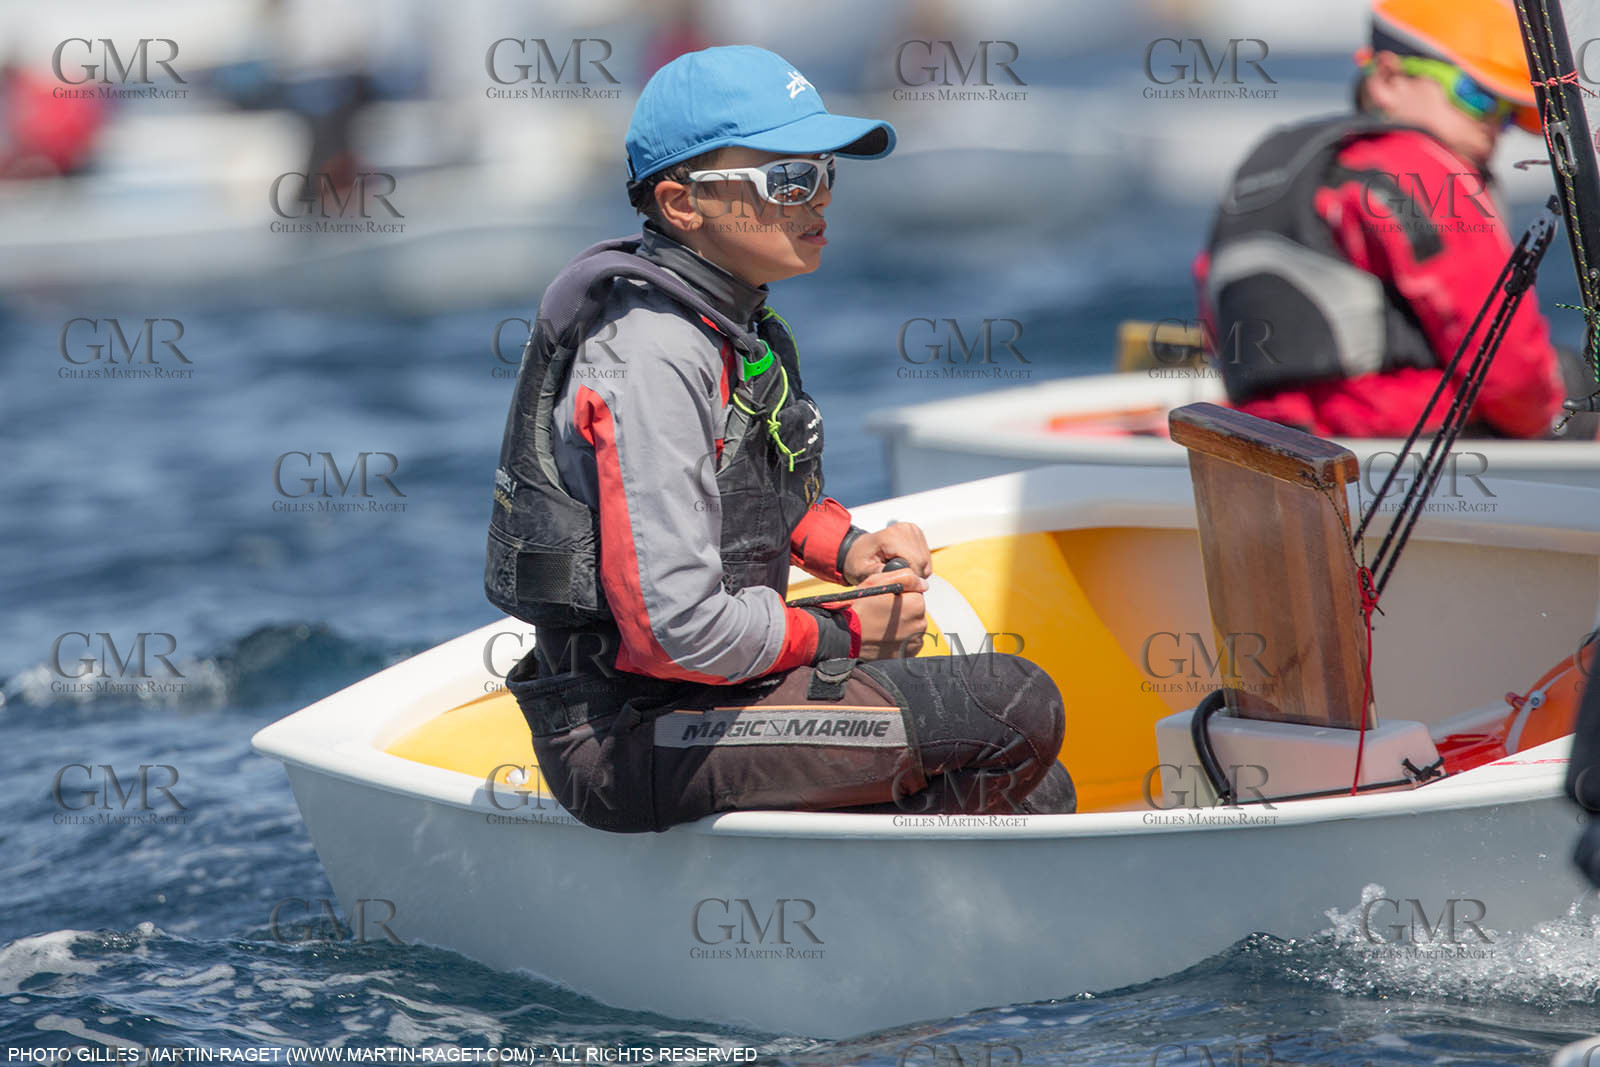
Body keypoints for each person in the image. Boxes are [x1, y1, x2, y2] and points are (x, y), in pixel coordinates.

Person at [486, 45, 1076, 833]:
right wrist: (848, 631)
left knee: (1041, 788)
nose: (819, 198)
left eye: (824, 173)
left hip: (706, 697)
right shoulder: (652, 355)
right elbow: (676, 634)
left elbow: (765, 502)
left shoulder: (729, 327)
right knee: (1016, 705)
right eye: (788, 180)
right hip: (633, 734)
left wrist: (853, 550)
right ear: (683, 203)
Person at [1192, 0, 1585, 440]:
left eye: (1508, 112)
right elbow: (1507, 368)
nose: (1494, 124)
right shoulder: (1426, 168)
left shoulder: (1277, 166)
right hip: (1400, 438)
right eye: (1476, 95)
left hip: (1267, 436)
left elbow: (1214, 308)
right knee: (1576, 385)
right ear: (1388, 79)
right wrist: (1550, 419)